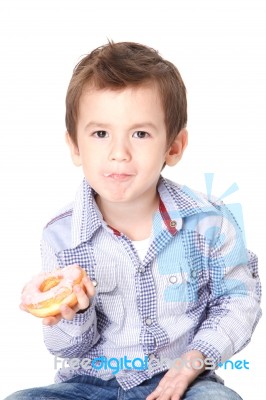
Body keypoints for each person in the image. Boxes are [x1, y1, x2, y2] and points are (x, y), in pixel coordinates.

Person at [5, 41, 261, 400]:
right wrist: (73, 314)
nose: (119, 153)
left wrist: (191, 362)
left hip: (181, 381)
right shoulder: (62, 236)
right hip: (87, 386)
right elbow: (65, 348)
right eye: (100, 134)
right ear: (75, 146)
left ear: (173, 147)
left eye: (140, 134)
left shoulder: (209, 222)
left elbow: (239, 301)